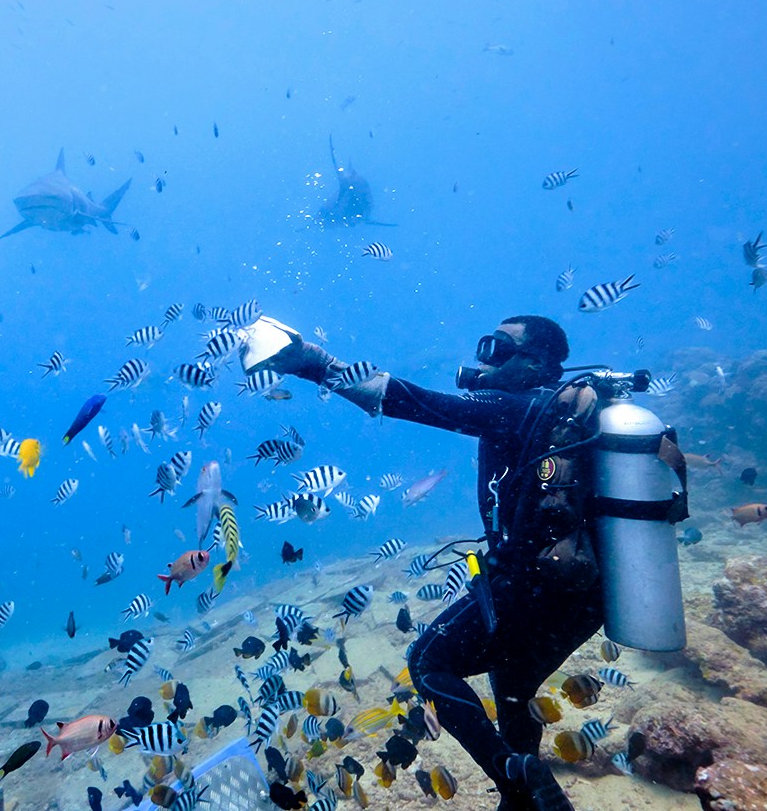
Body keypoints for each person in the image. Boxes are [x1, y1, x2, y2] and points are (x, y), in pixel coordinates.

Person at [239, 314, 596, 811]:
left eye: (496, 348)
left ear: (533, 362)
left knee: (429, 662)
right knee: (513, 685)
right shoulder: (551, 413)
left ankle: (514, 776)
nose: (482, 359)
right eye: (482, 346)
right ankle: (525, 801)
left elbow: (414, 401)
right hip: (581, 594)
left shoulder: (516, 408)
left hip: (535, 583)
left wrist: (314, 364)